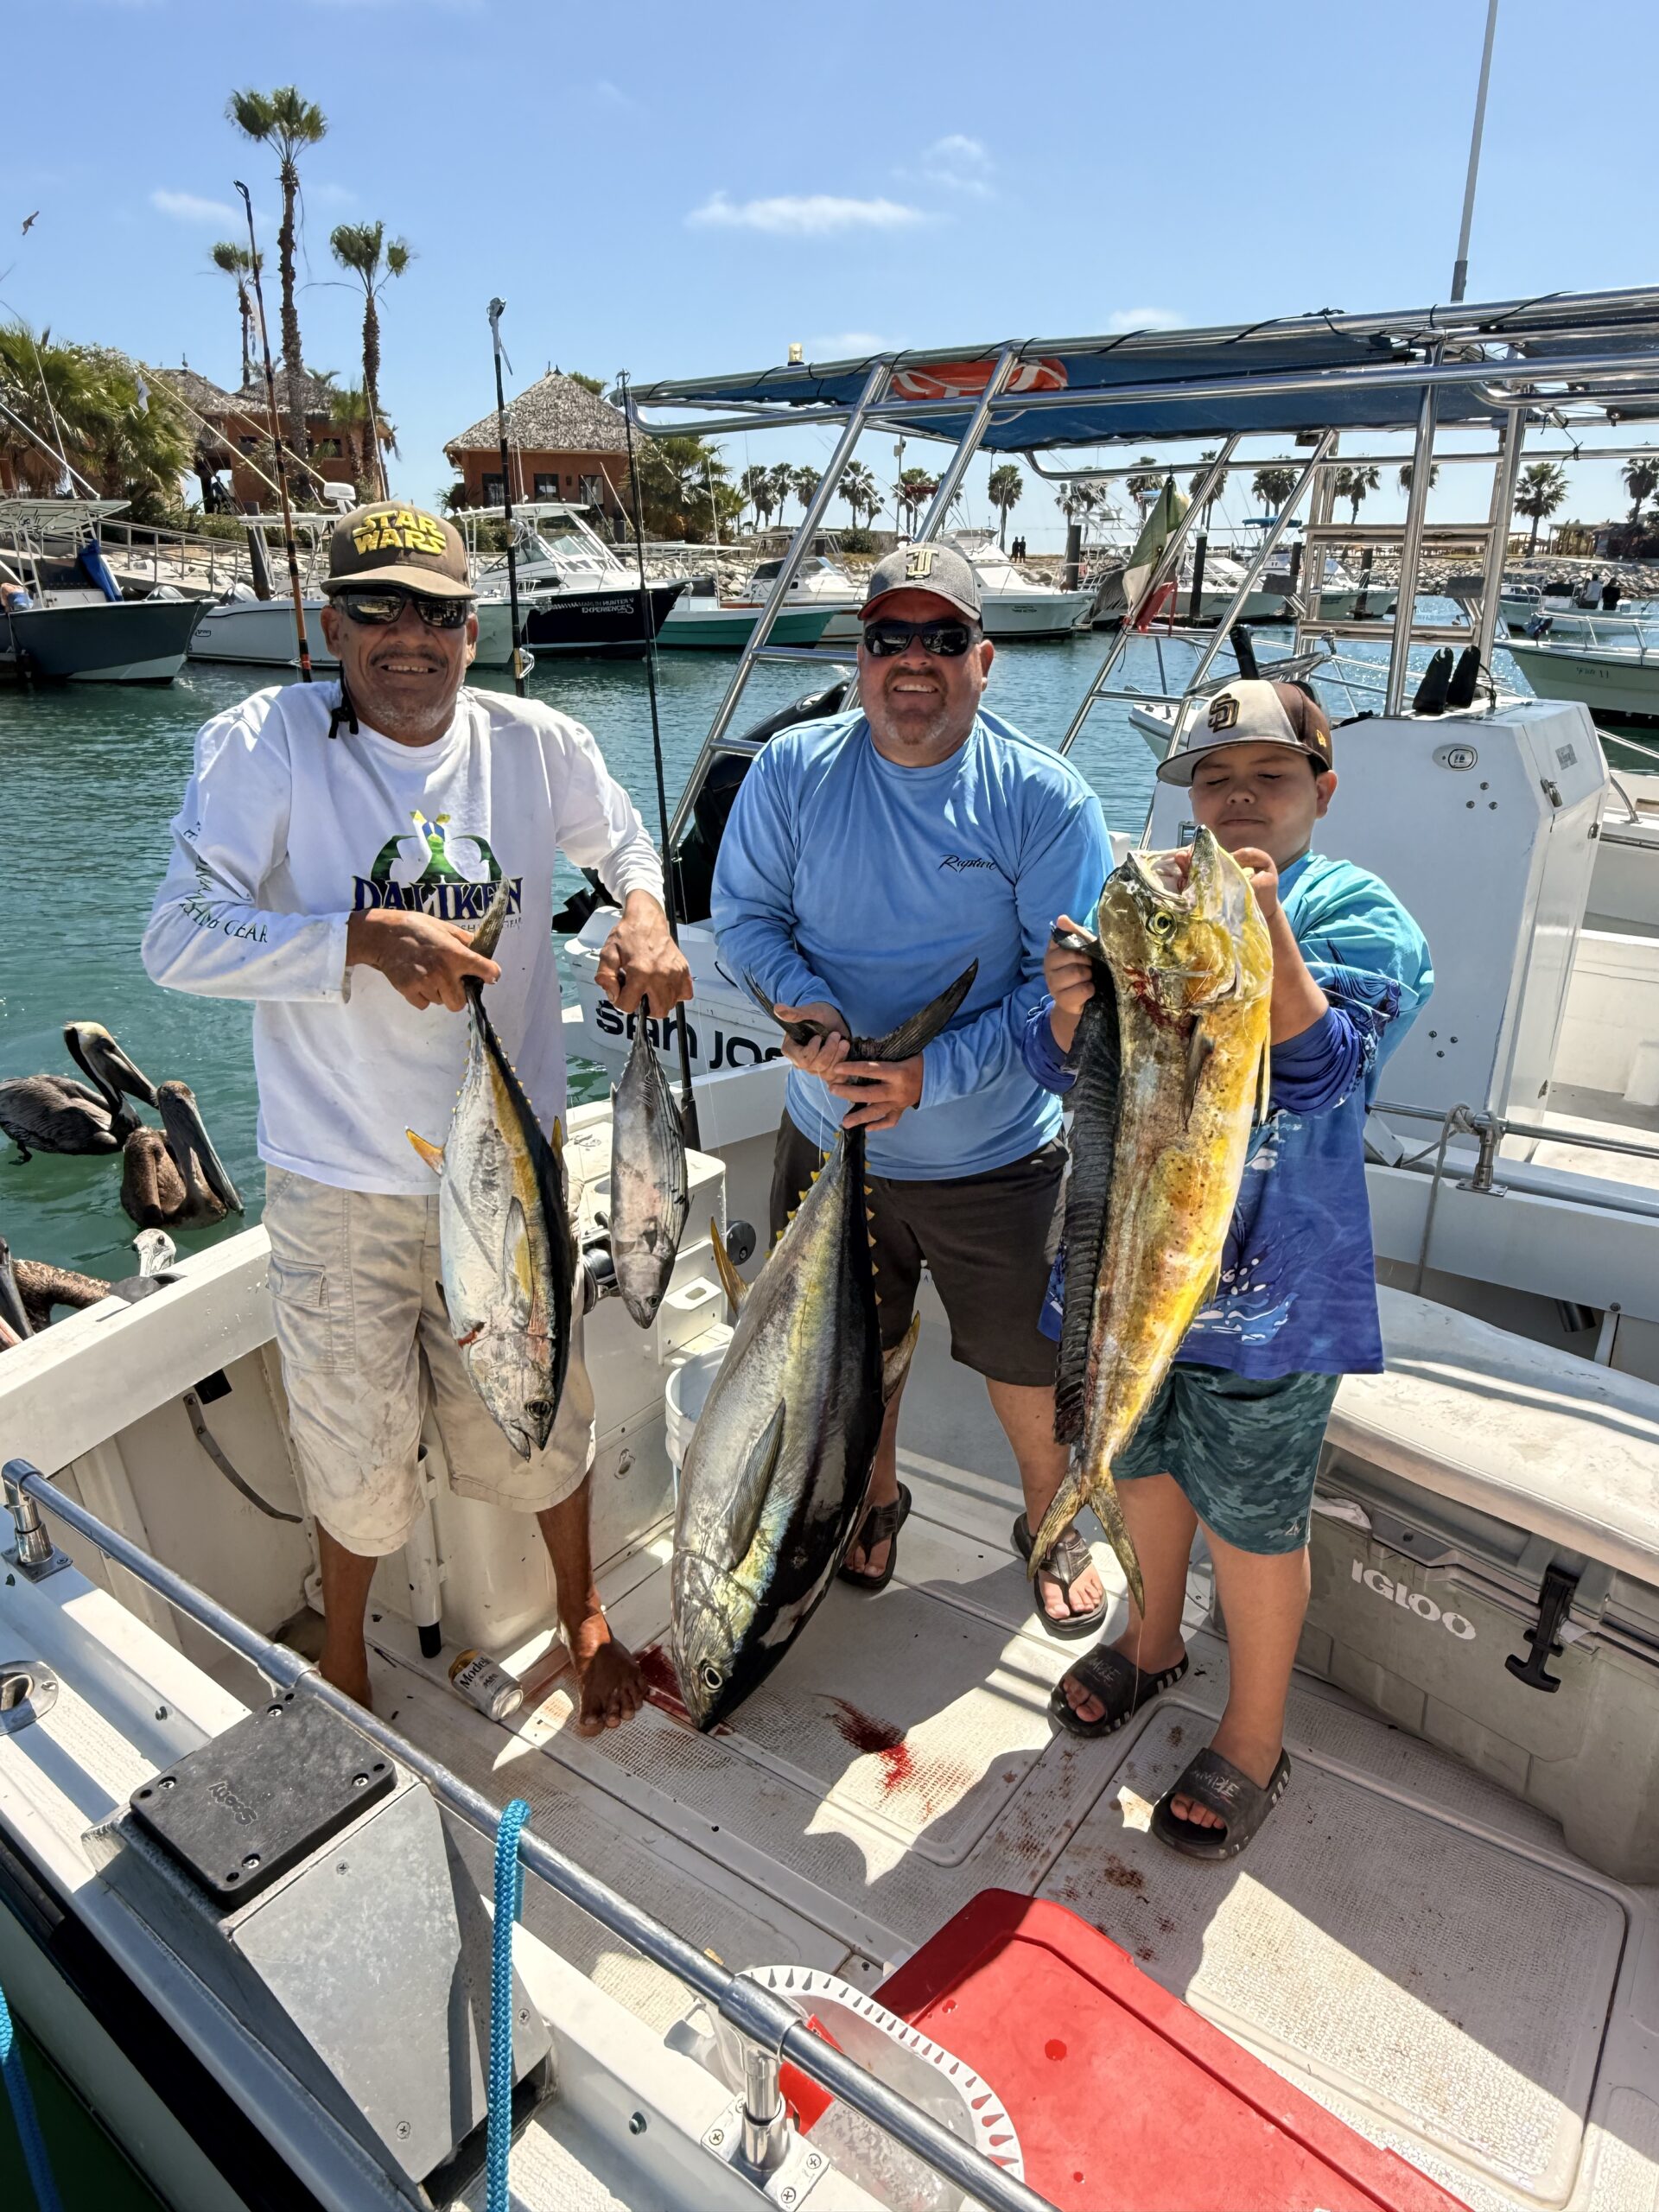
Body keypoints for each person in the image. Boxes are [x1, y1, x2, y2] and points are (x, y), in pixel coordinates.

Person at [143, 501, 691, 1731]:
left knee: (544, 1402)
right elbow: (175, 934)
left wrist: (645, 915)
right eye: (377, 608)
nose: (409, 636)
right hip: (341, 1178)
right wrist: (354, 939)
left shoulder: (535, 742)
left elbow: (626, 844)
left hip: (509, 1165)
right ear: (329, 626)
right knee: (354, 1441)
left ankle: (581, 1610)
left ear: (472, 631)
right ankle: (343, 1658)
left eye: (437, 612)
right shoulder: (265, 743)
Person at [1027, 678, 1431, 1859]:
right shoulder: (1152, 904)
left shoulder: (1357, 911)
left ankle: (1255, 1733)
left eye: (1269, 775)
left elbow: (1325, 1071)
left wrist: (1263, 928)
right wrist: (1070, 1007)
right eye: (1214, 779)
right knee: (1141, 1467)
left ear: (1323, 790)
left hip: (1273, 1301)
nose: (1240, 797)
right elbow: (1063, 1072)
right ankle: (1152, 1641)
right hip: (1127, 1275)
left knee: (1254, 1522)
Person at [711, 543, 1116, 1633]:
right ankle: (874, 1497)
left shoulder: (1046, 800)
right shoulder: (791, 771)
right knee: (853, 1348)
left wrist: (931, 1071)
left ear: (984, 660)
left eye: (944, 638)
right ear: (861, 656)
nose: (915, 660)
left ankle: (1052, 1523)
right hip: (826, 1127)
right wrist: (804, 1008)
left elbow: (1063, 996)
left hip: (996, 1155)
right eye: (891, 637)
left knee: (1028, 1361)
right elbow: (744, 917)